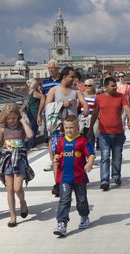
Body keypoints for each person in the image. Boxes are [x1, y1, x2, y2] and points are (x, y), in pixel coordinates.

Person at [46, 66, 89, 196]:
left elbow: (83, 102)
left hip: (72, 129)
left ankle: (72, 178)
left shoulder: (75, 91)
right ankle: (58, 183)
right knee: (57, 156)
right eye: (72, 76)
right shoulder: (54, 90)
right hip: (58, 128)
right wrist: (61, 105)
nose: (74, 79)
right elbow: (47, 106)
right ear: (64, 77)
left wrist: (85, 108)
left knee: (72, 154)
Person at [53, 115, 95, 237]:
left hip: (79, 177)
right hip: (64, 178)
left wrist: (90, 163)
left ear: (77, 127)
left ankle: (84, 216)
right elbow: (57, 153)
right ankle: (62, 223)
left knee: (81, 200)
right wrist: (56, 158)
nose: (69, 130)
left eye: (71, 128)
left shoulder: (82, 140)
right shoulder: (61, 141)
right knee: (64, 200)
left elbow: (91, 154)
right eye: (66, 128)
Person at [88, 76, 130, 191]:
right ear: (105, 87)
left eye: (115, 86)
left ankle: (116, 176)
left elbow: (127, 108)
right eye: (112, 86)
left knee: (117, 157)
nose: (115, 88)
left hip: (118, 132)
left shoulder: (121, 97)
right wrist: (90, 128)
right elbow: (94, 113)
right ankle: (104, 180)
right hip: (104, 134)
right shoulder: (99, 98)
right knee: (105, 157)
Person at [0, 103, 34, 227]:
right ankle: (13, 216)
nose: (11, 121)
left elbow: (30, 135)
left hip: (20, 158)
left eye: (14, 118)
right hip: (7, 159)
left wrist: (22, 121)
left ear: (17, 117)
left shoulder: (21, 127)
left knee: (17, 188)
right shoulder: (2, 128)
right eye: (9, 118)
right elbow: (1, 143)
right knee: (9, 189)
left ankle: (22, 202)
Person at [40, 59, 61, 172]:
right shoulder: (45, 82)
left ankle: (61, 158)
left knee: (61, 135)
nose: (51, 70)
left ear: (57, 68)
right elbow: (43, 98)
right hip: (48, 112)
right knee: (49, 136)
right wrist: (39, 113)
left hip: (60, 111)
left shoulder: (62, 81)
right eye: (49, 68)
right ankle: (52, 159)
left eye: (52, 68)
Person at [79, 78, 99, 148]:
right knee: (82, 137)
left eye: (89, 85)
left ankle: (90, 153)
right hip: (83, 119)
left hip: (93, 119)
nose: (87, 87)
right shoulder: (81, 96)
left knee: (91, 137)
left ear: (93, 86)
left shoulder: (97, 97)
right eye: (86, 85)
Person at [26, 79, 45, 149]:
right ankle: (31, 144)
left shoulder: (30, 91)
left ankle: (31, 143)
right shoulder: (34, 92)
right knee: (33, 127)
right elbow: (43, 97)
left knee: (32, 127)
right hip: (34, 111)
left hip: (30, 111)